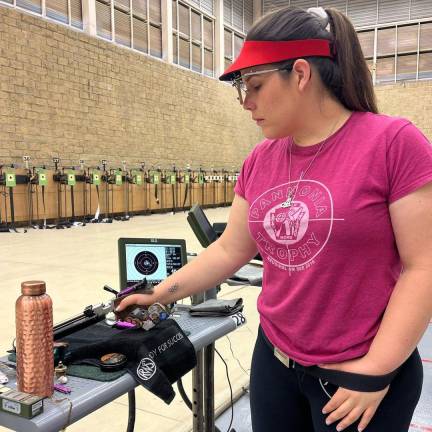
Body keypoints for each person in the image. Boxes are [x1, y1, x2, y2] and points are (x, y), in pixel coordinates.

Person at [116, 6, 432, 432]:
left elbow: (423, 266)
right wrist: (160, 293)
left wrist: (376, 369)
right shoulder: (261, 159)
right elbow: (230, 248)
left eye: (256, 86)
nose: (247, 103)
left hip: (357, 373)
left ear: (300, 75)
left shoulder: (393, 144)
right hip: (276, 362)